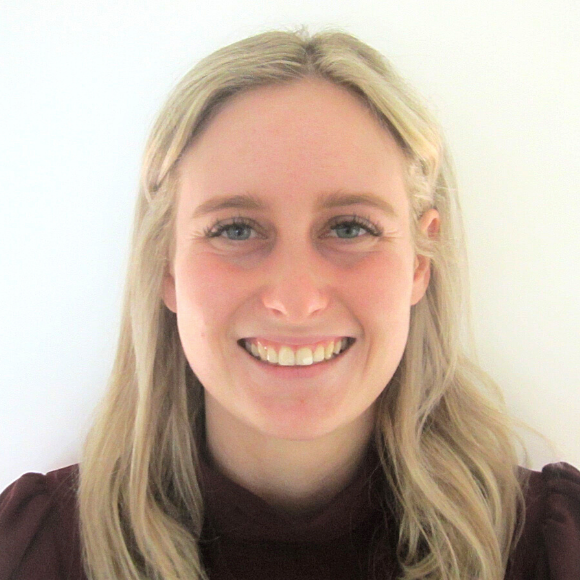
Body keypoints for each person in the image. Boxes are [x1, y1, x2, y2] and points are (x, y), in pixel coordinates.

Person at [0, 27, 578, 580]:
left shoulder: (554, 549)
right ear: (165, 268)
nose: (296, 300)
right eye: (234, 230)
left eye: (350, 227)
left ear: (420, 264)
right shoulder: (34, 552)